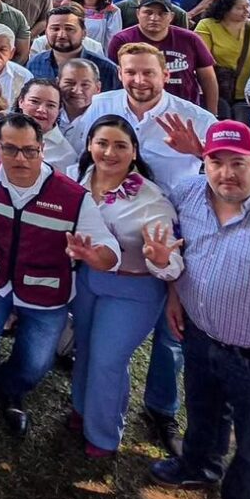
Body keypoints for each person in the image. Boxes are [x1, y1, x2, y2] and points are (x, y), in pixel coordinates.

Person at [0, 113, 120, 438]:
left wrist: (92, 256)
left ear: (43, 149)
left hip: (47, 295)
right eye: (10, 149)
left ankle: (11, 389)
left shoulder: (72, 197)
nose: (20, 159)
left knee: (36, 363)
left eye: (30, 150)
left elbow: (109, 251)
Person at [149, 121, 250, 499]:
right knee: (203, 412)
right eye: (216, 161)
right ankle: (198, 467)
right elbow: (180, 253)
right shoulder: (188, 193)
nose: (226, 173)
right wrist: (173, 293)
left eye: (238, 163)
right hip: (200, 334)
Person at [70, 115, 182, 457]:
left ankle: (103, 435)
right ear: (89, 145)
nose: (109, 152)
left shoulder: (152, 200)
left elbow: (172, 263)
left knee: (108, 359)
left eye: (120, 145)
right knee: (85, 348)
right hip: (89, 280)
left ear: (134, 152)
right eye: (102, 143)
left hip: (135, 290)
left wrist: (160, 257)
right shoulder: (78, 179)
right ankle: (81, 409)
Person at [108, 0, 219, 115]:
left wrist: (212, 113)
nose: (154, 18)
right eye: (148, 12)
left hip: (185, 110)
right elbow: (113, 79)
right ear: (138, 13)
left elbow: (208, 79)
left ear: (171, 17)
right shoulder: (122, 40)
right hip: (136, 111)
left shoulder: (190, 39)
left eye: (162, 14)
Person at [194, 0, 250, 120]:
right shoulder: (207, 25)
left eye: (248, 6)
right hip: (217, 90)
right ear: (225, 9)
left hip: (248, 93)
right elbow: (202, 59)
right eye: (240, 8)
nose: (246, 10)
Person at [26, 5, 120, 91]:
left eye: (69, 29)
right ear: (46, 32)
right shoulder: (35, 63)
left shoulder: (106, 68)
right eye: (55, 29)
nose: (61, 35)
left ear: (84, 33)